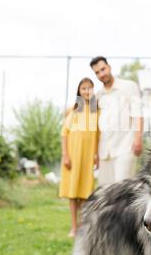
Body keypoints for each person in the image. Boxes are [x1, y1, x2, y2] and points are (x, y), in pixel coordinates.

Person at [90, 56, 143, 185]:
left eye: (103, 69)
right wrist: (95, 153)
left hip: (125, 147)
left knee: (122, 190)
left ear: (109, 67)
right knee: (106, 192)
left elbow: (138, 114)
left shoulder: (129, 86)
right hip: (105, 151)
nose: (101, 74)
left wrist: (138, 140)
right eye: (97, 72)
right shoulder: (98, 95)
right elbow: (93, 123)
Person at [59, 77, 99, 238]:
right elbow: (64, 133)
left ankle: (83, 227)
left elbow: (97, 135)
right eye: (84, 88)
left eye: (90, 88)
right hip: (73, 156)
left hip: (87, 157)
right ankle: (74, 227)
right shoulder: (74, 109)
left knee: (84, 193)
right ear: (79, 91)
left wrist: (96, 155)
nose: (87, 91)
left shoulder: (96, 110)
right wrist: (65, 155)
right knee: (73, 193)